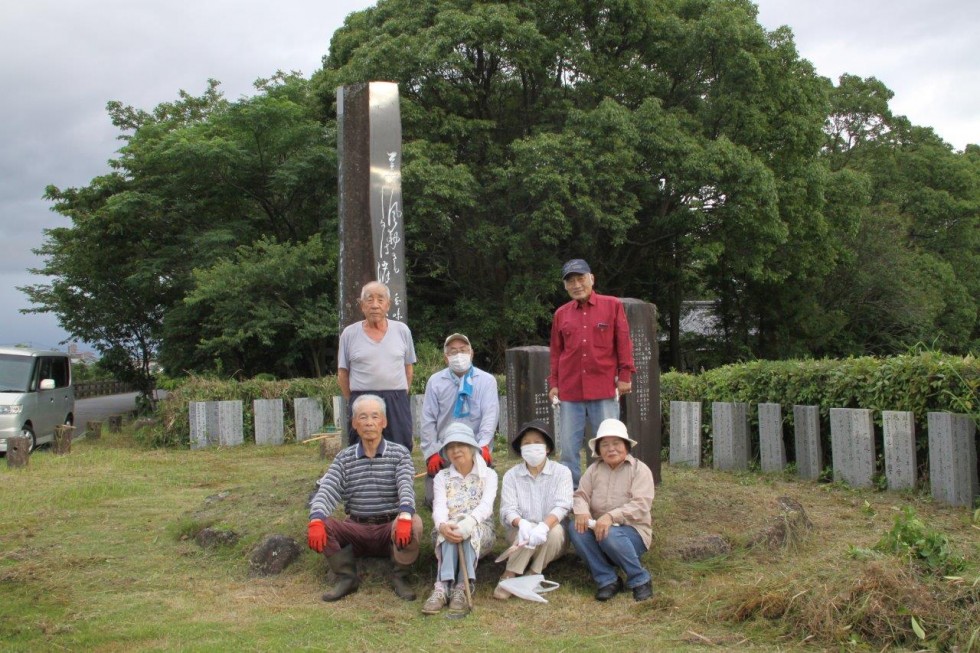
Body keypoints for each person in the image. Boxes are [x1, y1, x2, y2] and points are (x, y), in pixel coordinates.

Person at [307, 394, 423, 602]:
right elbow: (327, 489)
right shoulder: (344, 458)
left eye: (374, 416)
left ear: (384, 422)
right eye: (362, 417)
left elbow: (406, 487)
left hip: (389, 528)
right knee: (321, 524)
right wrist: (316, 518)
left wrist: (405, 515)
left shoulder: (400, 454)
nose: (369, 422)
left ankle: (400, 577)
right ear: (354, 423)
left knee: (413, 522)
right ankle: (346, 577)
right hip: (356, 528)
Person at [549, 258, 635, 487]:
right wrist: (554, 383)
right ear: (565, 286)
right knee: (568, 448)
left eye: (580, 279)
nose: (576, 285)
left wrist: (625, 375)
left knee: (608, 445)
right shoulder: (561, 314)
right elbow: (556, 352)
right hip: (570, 390)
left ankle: (607, 490)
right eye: (570, 281)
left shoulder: (612, 305)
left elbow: (623, 342)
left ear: (591, 279)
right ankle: (572, 494)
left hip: (604, 387)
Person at [567, 418, 654, 602]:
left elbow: (641, 504)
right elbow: (580, 495)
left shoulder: (640, 470)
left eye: (616, 443)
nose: (611, 449)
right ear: (598, 450)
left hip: (632, 533)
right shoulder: (593, 470)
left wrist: (610, 516)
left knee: (610, 533)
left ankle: (640, 579)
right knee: (576, 527)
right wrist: (581, 511)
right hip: (599, 529)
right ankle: (607, 579)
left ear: (626, 446)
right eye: (605, 445)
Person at [421, 423, 498, 617]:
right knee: (450, 531)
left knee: (466, 531)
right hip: (448, 527)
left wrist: (468, 523)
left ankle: (462, 587)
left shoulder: (489, 475)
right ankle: (442, 588)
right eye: (451, 447)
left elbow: (486, 507)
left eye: (461, 445)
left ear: (472, 448)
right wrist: (443, 525)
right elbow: (439, 507)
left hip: (479, 527)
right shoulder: (441, 477)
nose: (456, 451)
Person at [494, 419, 573, 600]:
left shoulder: (562, 473)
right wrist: (521, 523)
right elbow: (508, 509)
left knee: (553, 532)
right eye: (526, 443)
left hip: (553, 536)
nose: (532, 447)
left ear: (547, 448)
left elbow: (563, 505)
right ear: (521, 449)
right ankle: (510, 573)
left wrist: (544, 526)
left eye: (537, 442)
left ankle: (532, 574)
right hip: (519, 534)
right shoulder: (511, 475)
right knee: (525, 533)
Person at [420, 333, 499, 508]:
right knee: (433, 501)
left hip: (475, 448)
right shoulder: (435, 381)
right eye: (453, 351)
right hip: (444, 448)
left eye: (463, 350)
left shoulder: (487, 381)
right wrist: (432, 451)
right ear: (446, 358)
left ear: (471, 353)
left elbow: (490, 415)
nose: (458, 355)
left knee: (478, 499)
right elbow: (428, 419)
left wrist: (484, 444)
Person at [338, 281, 417, 450]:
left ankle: (400, 476)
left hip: (396, 398)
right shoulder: (349, 334)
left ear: (388, 305)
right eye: (369, 299)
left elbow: (408, 369)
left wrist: (399, 394)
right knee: (361, 446)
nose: (375, 305)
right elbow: (343, 373)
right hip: (361, 398)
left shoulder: (402, 330)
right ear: (361, 305)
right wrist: (353, 401)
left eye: (380, 300)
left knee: (400, 444)